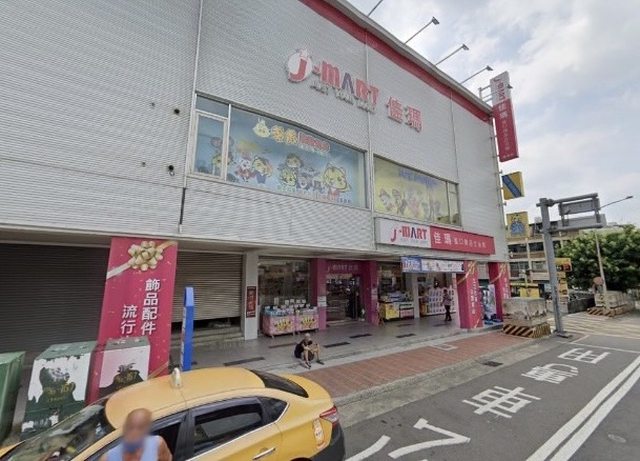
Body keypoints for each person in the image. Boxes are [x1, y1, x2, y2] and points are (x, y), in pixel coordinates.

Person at [100, 408, 172, 461]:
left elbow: (167, 458)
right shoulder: (108, 458)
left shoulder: (157, 444)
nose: (134, 433)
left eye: (140, 428)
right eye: (131, 427)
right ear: (124, 428)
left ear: (146, 430)